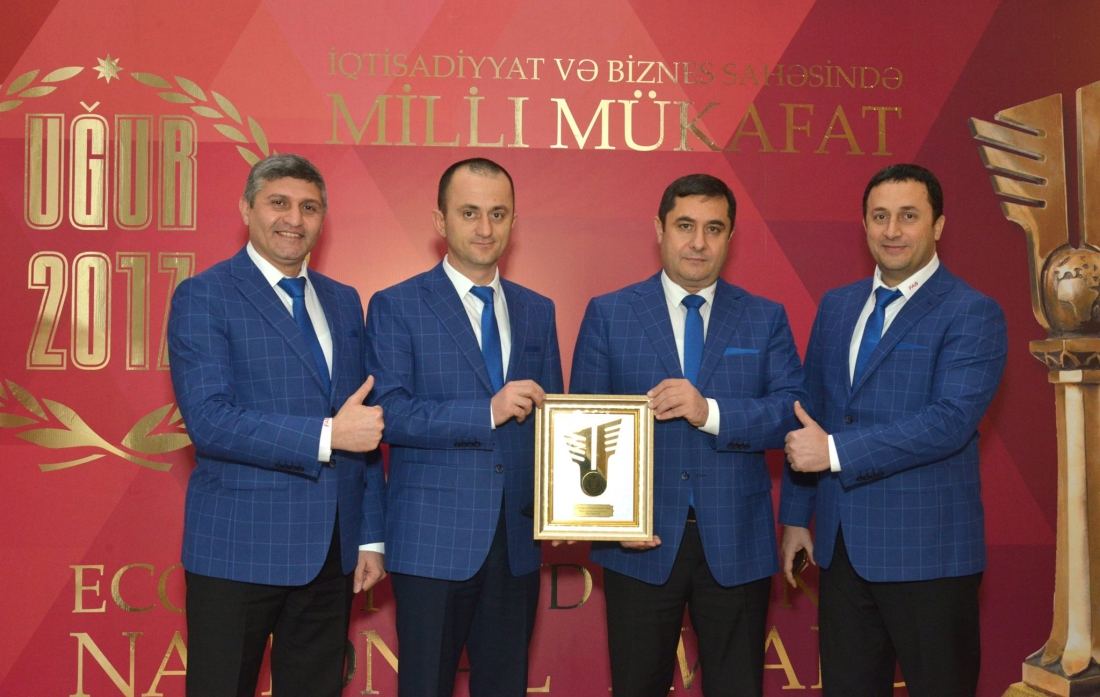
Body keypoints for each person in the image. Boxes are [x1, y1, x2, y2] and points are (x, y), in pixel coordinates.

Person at [570, 173, 806, 697]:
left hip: (736, 540)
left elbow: (791, 416)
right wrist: (608, 521)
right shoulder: (610, 313)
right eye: (685, 226)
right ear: (660, 229)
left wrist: (710, 412)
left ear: (730, 237)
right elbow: (585, 428)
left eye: (713, 228)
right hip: (638, 542)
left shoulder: (765, 318)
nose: (699, 242)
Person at [780, 163, 1008, 697]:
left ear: (938, 225)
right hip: (841, 550)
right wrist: (795, 518)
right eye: (879, 216)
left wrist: (836, 452)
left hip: (929, 555)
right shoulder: (837, 306)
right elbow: (810, 414)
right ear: (864, 225)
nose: (892, 230)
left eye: (908, 216)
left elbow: (949, 422)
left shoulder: (972, 312)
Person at [167, 153, 387, 697]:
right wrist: (326, 436)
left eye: (309, 207)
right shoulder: (204, 295)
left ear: (323, 218)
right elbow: (210, 421)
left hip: (330, 552)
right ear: (247, 209)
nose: (294, 218)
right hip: (237, 548)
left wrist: (370, 536)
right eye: (279, 203)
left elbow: (361, 423)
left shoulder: (343, 301)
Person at [364, 157, 563, 696]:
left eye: (498, 214)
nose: (485, 228)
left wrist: (566, 501)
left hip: (517, 541)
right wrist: (486, 411)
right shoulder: (396, 306)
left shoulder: (537, 310)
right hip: (432, 542)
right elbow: (389, 414)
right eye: (469, 212)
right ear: (440, 220)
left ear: (514, 221)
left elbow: (553, 424)